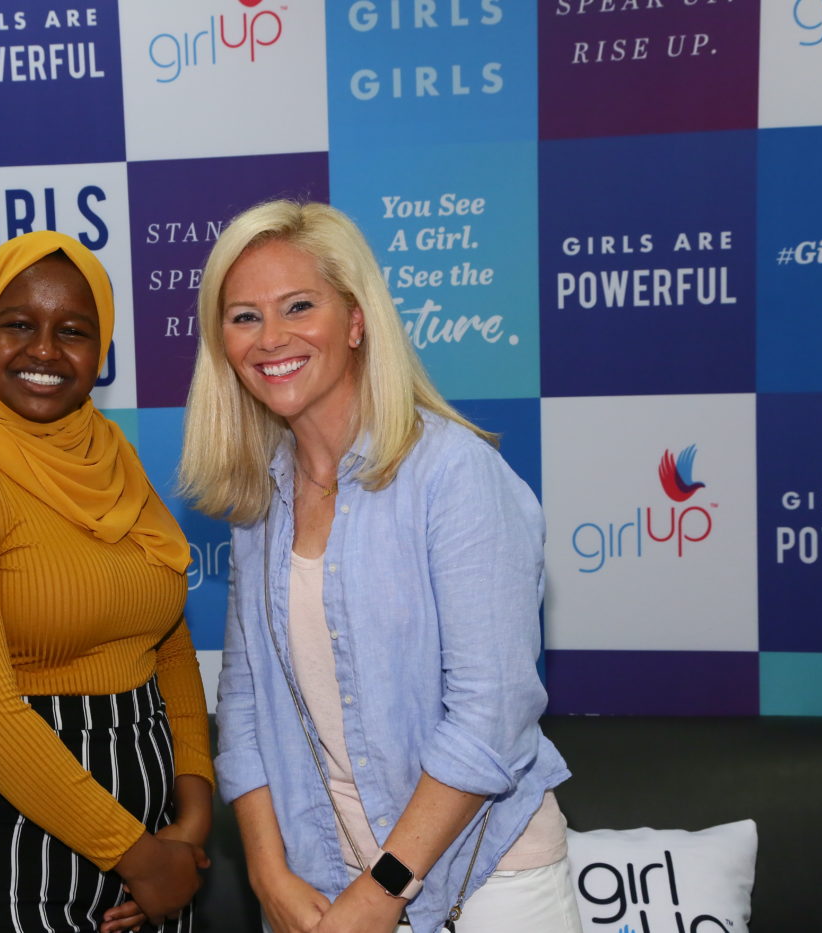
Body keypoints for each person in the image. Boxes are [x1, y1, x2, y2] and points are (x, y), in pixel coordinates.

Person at [179, 201, 579, 933]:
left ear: (357, 321)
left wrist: (383, 890)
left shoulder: (453, 474)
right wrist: (268, 874)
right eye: (244, 317)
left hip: (482, 882)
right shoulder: (260, 499)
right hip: (319, 886)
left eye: (299, 306)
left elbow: (491, 715)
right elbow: (243, 708)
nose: (272, 338)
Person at [0, 230, 213, 933]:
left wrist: (191, 819)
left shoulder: (112, 459)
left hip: (154, 859)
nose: (43, 351)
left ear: (100, 350)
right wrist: (138, 855)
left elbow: (168, 646)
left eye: (72, 331)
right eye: (17, 325)